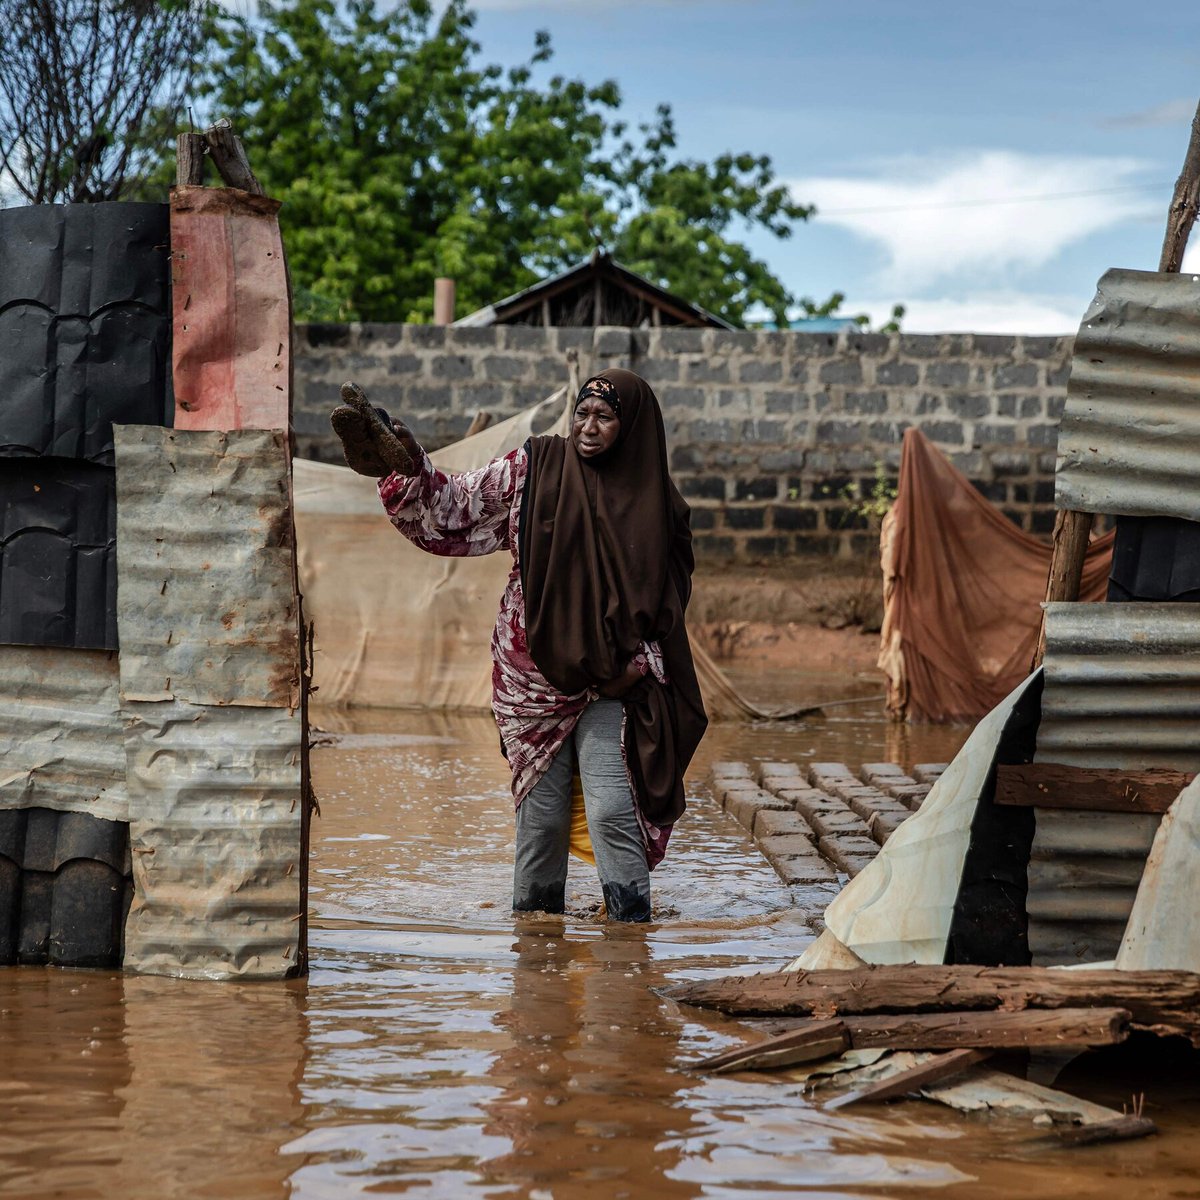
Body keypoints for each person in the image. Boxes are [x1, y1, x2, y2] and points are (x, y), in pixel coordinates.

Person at [330, 369, 707, 921]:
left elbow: (668, 606)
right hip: (532, 679)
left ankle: (630, 934)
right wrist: (406, 467)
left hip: (617, 682)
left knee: (611, 811)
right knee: (541, 817)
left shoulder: (661, 507)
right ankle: (535, 943)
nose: (588, 426)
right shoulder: (536, 468)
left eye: (604, 417)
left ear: (634, 427)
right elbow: (458, 507)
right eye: (582, 413)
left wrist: (633, 666)